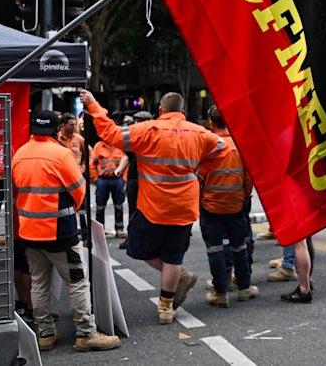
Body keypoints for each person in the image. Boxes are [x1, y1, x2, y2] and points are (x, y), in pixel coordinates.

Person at [80, 90, 227, 325]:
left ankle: (179, 281)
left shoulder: (148, 130)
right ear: (182, 111)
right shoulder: (198, 132)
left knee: (139, 248)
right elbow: (222, 147)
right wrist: (201, 170)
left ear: (161, 110)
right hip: (185, 207)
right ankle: (165, 309)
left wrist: (94, 105)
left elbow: (110, 133)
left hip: (154, 206)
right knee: (174, 257)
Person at [12, 110, 120, 352]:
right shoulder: (60, 154)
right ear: (55, 130)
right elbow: (79, 191)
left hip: (29, 232)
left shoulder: (20, 154)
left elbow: (16, 189)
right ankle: (86, 333)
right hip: (59, 232)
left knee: (39, 283)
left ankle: (46, 334)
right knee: (77, 282)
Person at [199, 105, 258, 308]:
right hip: (235, 205)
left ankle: (221, 292)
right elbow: (249, 177)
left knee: (215, 249)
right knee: (239, 247)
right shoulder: (240, 145)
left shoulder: (207, 146)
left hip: (211, 205)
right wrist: (244, 197)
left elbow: (199, 175)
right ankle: (244, 288)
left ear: (211, 122)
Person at [119, 111, 154, 250]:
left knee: (148, 210)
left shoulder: (152, 138)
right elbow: (127, 156)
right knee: (133, 209)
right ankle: (132, 238)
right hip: (134, 178)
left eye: (138, 121)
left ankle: (147, 238)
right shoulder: (133, 138)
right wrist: (120, 170)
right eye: (135, 121)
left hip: (149, 179)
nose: (135, 124)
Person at [89, 139, 129, 237]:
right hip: (102, 180)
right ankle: (100, 232)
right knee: (100, 207)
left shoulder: (120, 145)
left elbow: (127, 162)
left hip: (117, 180)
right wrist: (96, 179)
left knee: (119, 205)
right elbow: (92, 164)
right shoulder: (98, 146)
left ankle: (119, 229)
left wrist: (124, 178)